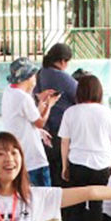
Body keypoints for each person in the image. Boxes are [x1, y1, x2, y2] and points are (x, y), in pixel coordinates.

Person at [58, 73, 111, 221]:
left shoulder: (70, 112)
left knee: (76, 202)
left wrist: (65, 166)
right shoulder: (107, 113)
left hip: (78, 163)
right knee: (97, 204)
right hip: (101, 164)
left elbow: (64, 142)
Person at [1, 58, 57, 187]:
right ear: (28, 77)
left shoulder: (9, 91)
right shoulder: (24, 98)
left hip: (20, 156)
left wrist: (37, 98)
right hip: (34, 159)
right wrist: (50, 105)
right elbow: (39, 123)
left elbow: (28, 116)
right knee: (43, 198)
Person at [36, 42, 78, 184]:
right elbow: (81, 95)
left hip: (44, 131)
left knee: (50, 173)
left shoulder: (40, 73)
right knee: (62, 173)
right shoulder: (63, 77)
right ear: (62, 61)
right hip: (61, 131)